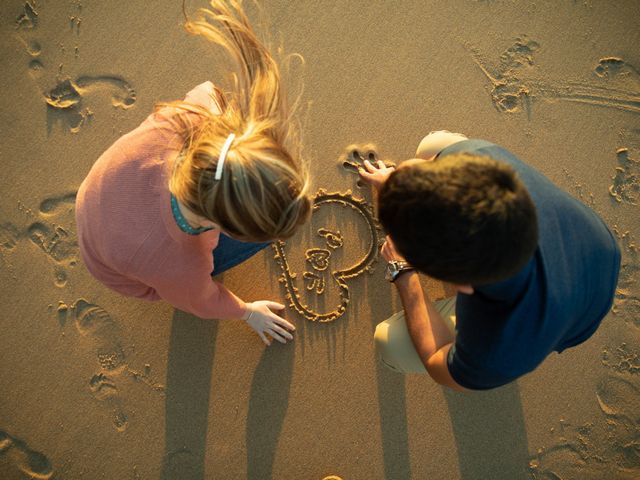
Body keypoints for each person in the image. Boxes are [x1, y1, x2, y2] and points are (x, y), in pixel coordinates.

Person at [75, 0, 310, 346]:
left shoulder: (191, 119)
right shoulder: (182, 263)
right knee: (267, 234)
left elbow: (206, 90)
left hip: (102, 197)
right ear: (227, 228)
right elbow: (202, 301)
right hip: (112, 259)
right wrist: (248, 311)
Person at [359, 131, 620, 391]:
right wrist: (399, 189)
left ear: (462, 284)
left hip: (570, 316)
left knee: (390, 343)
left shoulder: (498, 349)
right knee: (434, 146)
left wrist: (403, 272)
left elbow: (437, 361)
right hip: (593, 256)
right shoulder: (479, 155)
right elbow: (418, 167)